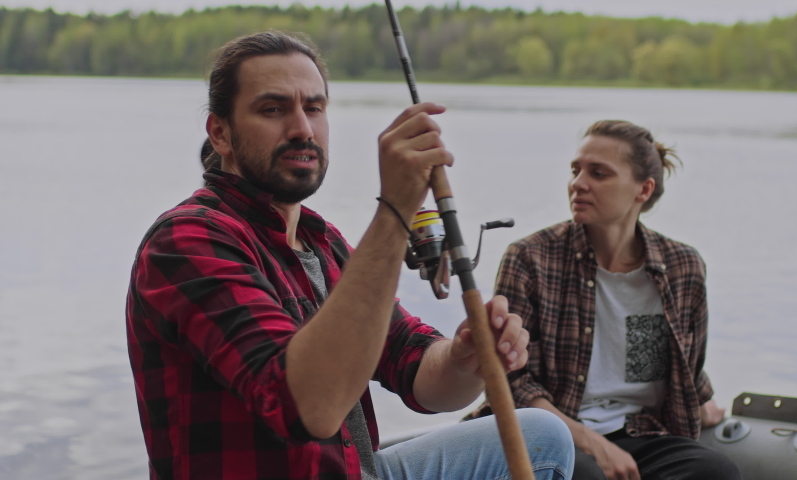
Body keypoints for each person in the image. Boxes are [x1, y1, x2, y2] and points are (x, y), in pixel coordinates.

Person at [126, 31, 574, 480]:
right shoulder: (187, 240)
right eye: (273, 109)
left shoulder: (321, 240)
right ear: (220, 133)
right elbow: (306, 408)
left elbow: (415, 363)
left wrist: (464, 359)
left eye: (314, 108)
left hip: (353, 471)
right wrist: (395, 211)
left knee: (544, 437)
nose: (302, 129)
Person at [468, 120, 741, 480]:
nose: (578, 183)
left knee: (717, 471)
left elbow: (670, 368)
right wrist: (591, 443)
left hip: (637, 435)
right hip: (543, 433)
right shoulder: (531, 257)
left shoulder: (682, 267)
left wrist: (700, 403)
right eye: (576, 170)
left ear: (643, 190)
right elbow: (510, 382)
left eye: (598, 173)